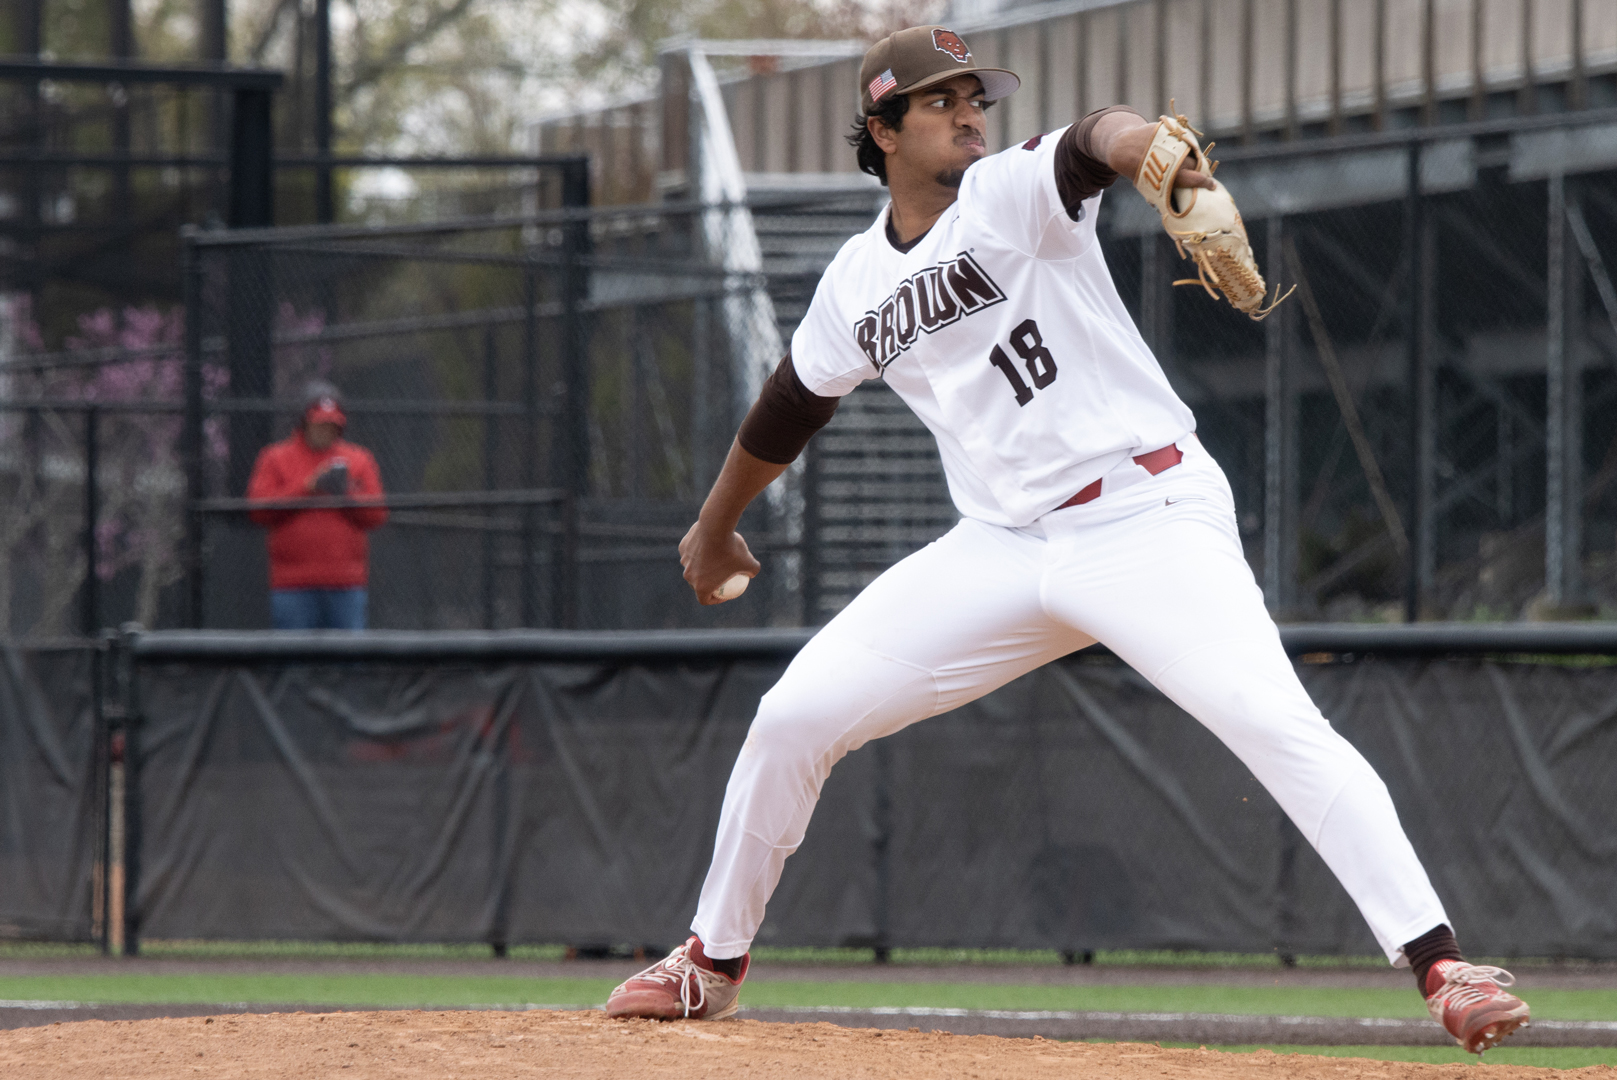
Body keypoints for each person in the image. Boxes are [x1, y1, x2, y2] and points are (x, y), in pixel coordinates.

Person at [605, 26, 1531, 1054]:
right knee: (792, 716)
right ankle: (711, 963)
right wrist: (714, 527)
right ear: (882, 128)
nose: (970, 113)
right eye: (941, 100)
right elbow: (791, 403)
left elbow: (1094, 139)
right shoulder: (853, 282)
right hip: (1001, 546)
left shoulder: (1006, 193)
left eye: (976, 97)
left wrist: (1155, 160)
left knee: (1269, 720)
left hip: (1144, 515)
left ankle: (1443, 966)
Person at [246, 384, 388, 630]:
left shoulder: (359, 459)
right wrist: (308, 486)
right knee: (295, 654)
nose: (326, 430)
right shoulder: (275, 457)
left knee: (350, 653)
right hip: (292, 585)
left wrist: (345, 495)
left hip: (346, 584)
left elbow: (377, 515)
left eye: (332, 424)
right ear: (303, 422)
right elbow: (258, 510)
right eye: (320, 423)